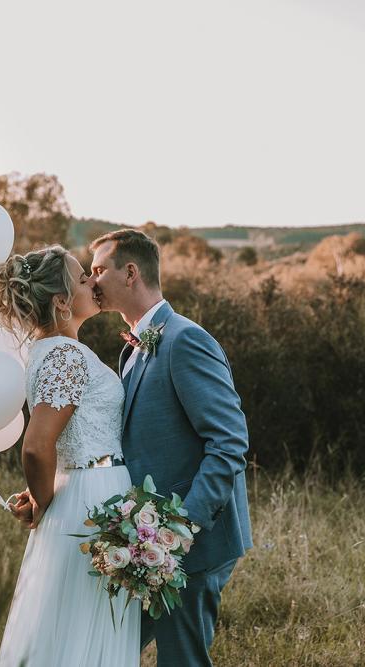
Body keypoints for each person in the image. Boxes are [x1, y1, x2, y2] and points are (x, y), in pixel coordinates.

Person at [88, 229, 252, 667]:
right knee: (112, 648)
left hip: (190, 546)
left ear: (130, 272)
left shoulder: (184, 340)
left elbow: (229, 442)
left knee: (181, 660)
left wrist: (182, 529)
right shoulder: (133, 349)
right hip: (144, 543)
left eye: (99, 270)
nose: (91, 281)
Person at [0, 244, 140, 667]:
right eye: (81, 279)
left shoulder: (52, 351)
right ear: (61, 302)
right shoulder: (65, 354)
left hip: (84, 489)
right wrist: (42, 502)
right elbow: (37, 446)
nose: (93, 282)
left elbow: (61, 441)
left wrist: (49, 492)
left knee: (74, 624)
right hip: (89, 500)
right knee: (84, 627)